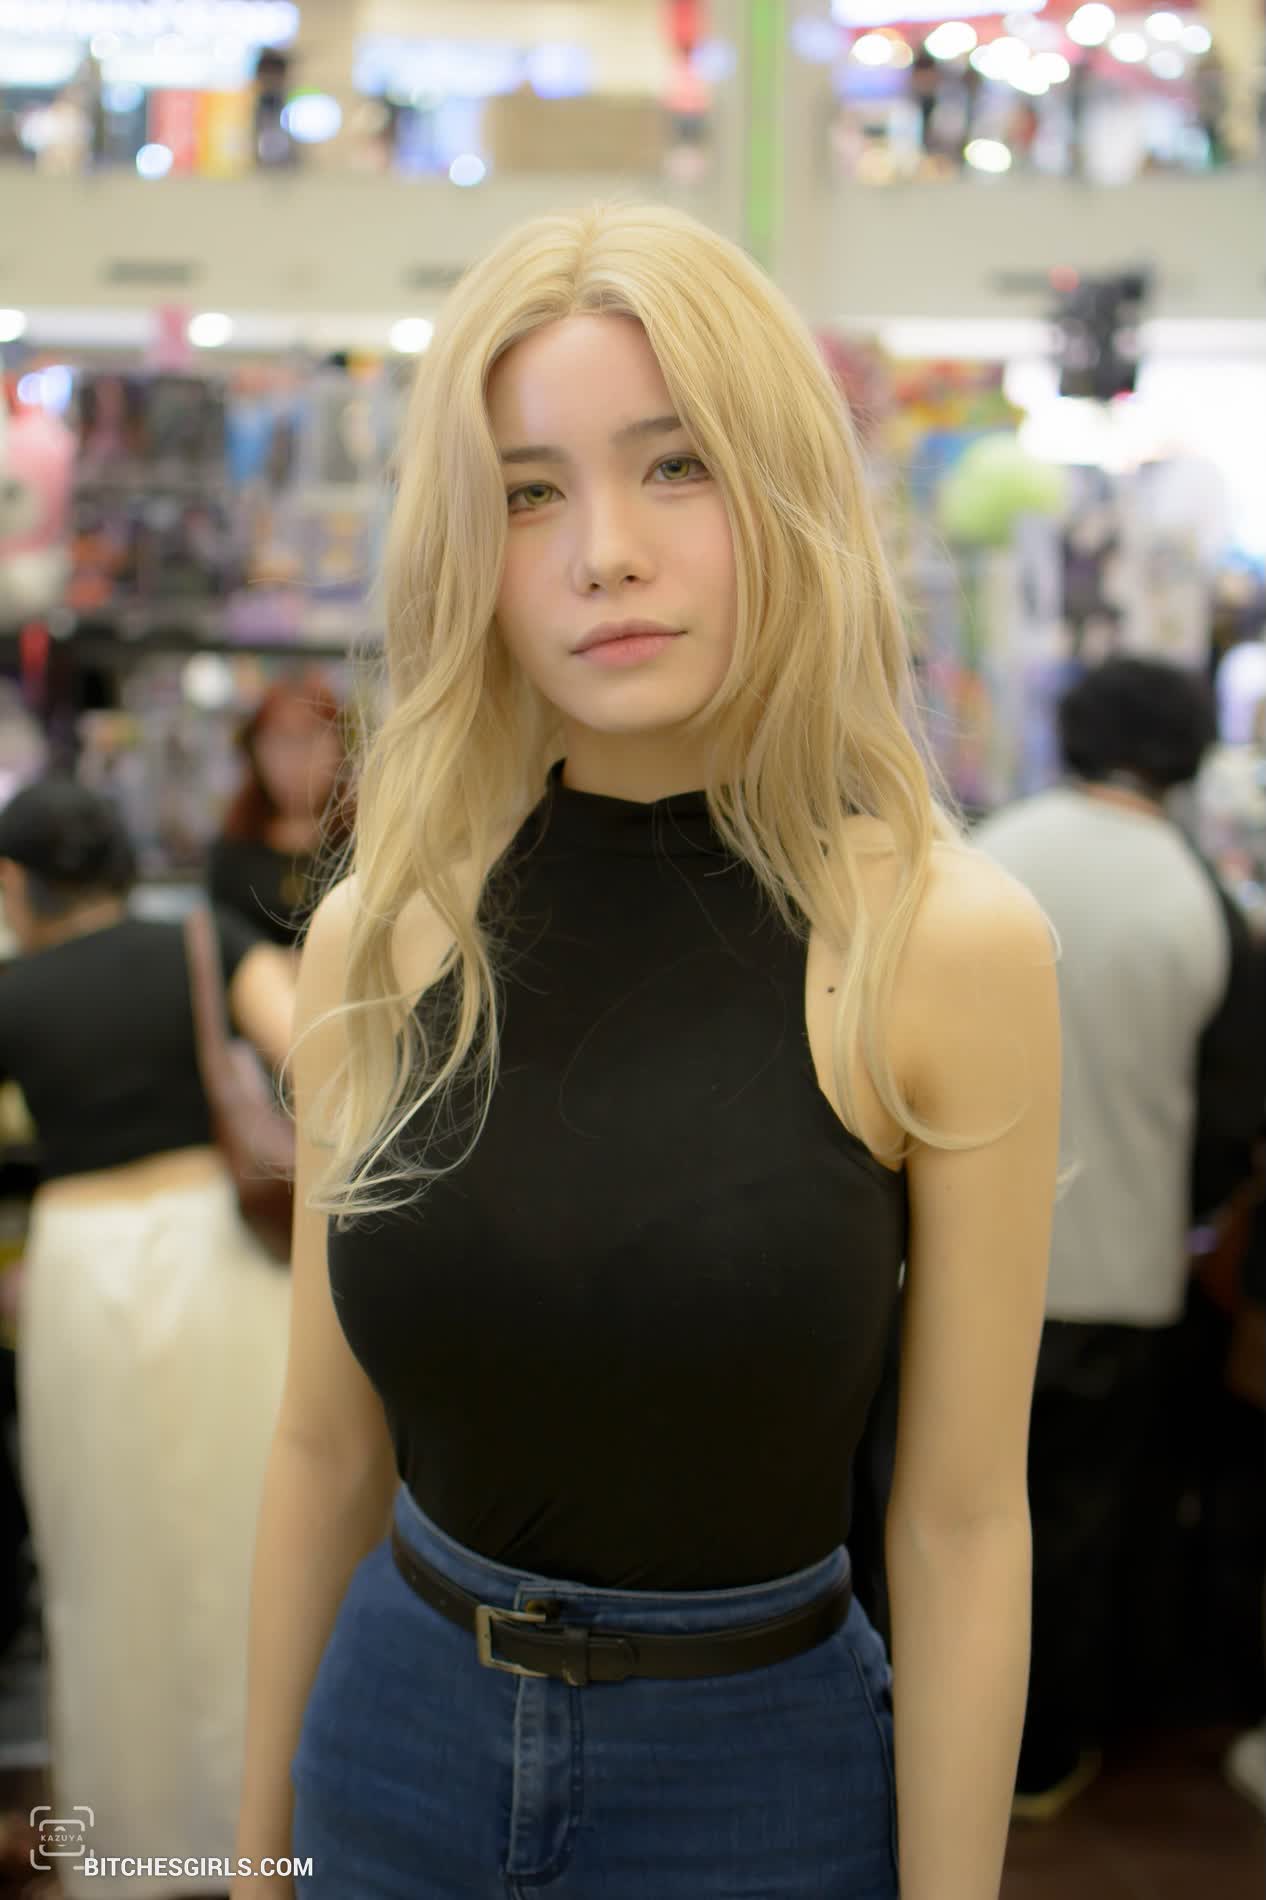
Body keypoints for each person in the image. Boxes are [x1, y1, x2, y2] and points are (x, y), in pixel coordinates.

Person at [233, 203, 1060, 1900]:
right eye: (528, 492)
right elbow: (323, 1448)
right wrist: (249, 1861)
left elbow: (965, 1519)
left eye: (675, 466)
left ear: (782, 490)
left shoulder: (940, 949)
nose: (604, 552)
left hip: (760, 1782)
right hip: (391, 1743)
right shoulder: (381, 936)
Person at [0, 777, 296, 1900]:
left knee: (104, 1562)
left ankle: (129, 1847)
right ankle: (269, 1835)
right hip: (221, 1254)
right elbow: (318, 1047)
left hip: (82, 1269)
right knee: (249, 1542)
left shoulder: (15, 991)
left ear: (17, 882)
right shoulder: (201, 940)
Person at [975, 657, 1257, 1818]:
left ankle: (938, 1742)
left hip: (957, 1261)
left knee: (941, 1505)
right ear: (1188, 753)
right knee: (1077, 1524)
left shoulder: (987, 851)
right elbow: (1234, 1116)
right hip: (1122, 1268)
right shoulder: (1201, 898)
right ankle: (1042, 1757)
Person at [207, 674, 351, 951]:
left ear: (340, 744)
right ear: (255, 749)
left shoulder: (363, 845)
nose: (295, 758)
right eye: (280, 740)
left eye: (309, 738)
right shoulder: (233, 849)